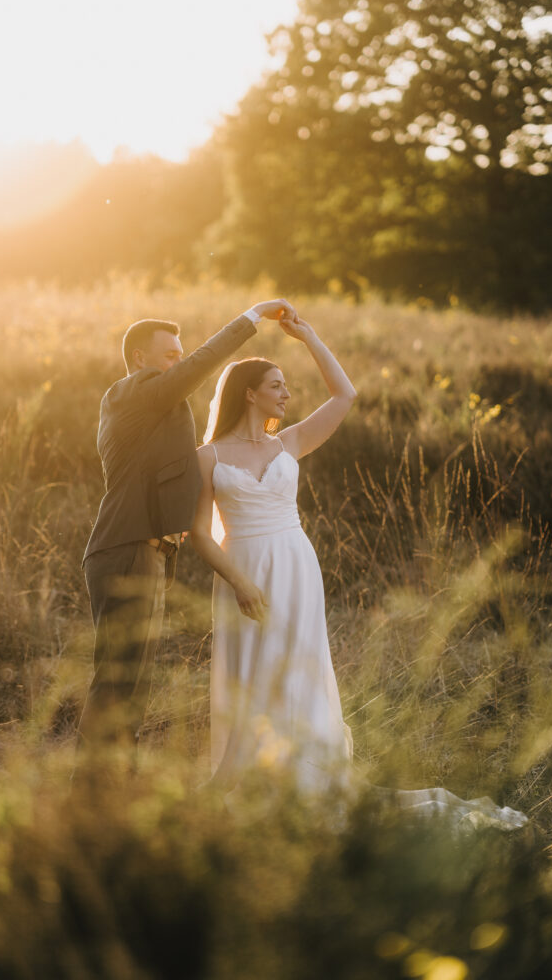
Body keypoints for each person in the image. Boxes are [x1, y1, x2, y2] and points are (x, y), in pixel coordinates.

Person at [190, 315, 528, 829]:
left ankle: (305, 773)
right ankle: (239, 777)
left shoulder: (290, 443)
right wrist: (238, 582)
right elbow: (197, 533)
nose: (287, 394)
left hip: (296, 566)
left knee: (296, 666)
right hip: (243, 568)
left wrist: (307, 336)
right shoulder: (208, 456)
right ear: (249, 394)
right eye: (277, 386)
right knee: (251, 669)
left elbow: (345, 395)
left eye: (286, 385)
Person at [77, 297, 298, 750]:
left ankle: (114, 793)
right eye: (170, 355)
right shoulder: (131, 393)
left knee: (133, 685)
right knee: (118, 683)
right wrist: (252, 317)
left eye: (180, 354)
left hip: (149, 553)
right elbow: (197, 367)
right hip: (127, 549)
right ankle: (92, 802)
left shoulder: (153, 407)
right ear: (140, 359)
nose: (180, 362)